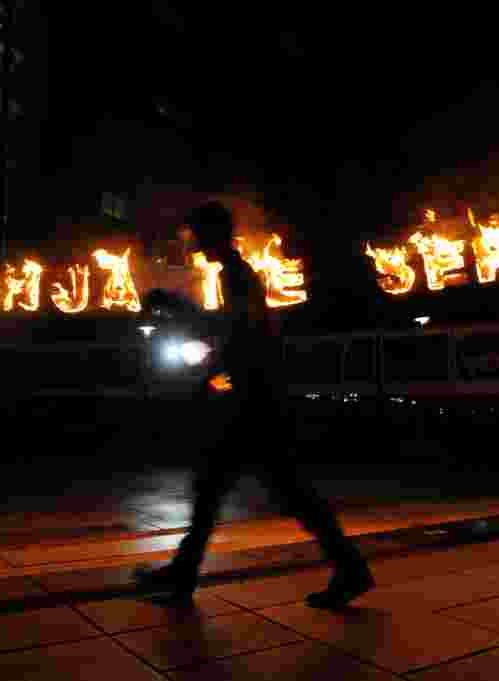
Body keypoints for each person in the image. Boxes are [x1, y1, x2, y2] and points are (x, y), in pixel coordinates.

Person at [134, 200, 374, 609]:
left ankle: (349, 569)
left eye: (197, 236)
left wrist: (202, 357)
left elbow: (242, 335)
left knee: (270, 492)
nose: (193, 246)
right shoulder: (234, 274)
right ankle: (182, 574)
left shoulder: (237, 275)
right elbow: (236, 331)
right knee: (226, 490)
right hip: (253, 399)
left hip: (253, 404)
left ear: (214, 234)